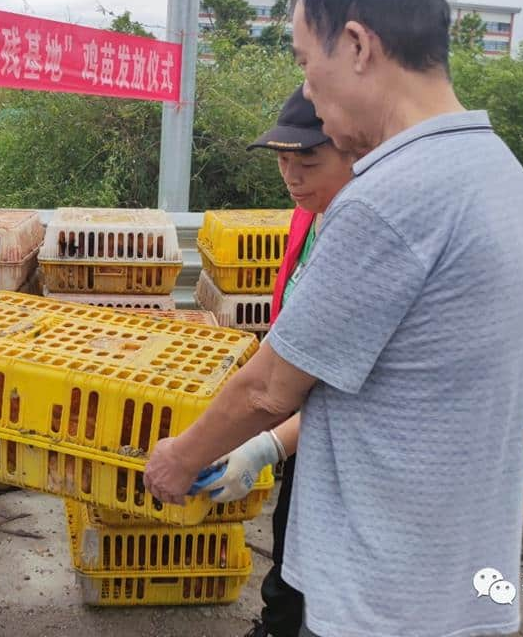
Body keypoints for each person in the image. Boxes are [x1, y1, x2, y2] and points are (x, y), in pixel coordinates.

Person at [145, 0, 523, 637]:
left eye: (306, 61)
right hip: (458, 583)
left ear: (357, 46)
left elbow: (268, 387)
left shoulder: (389, 198)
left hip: (386, 598)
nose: (306, 88)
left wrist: (178, 460)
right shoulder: (500, 173)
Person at [205, 85, 354, 637]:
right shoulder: (310, 215)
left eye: (307, 160)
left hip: (340, 434)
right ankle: (277, 623)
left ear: (354, 150)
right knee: (292, 536)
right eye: (283, 161)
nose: (291, 176)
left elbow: (340, 385)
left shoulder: (360, 235)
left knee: (320, 560)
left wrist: (266, 442)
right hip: (304, 422)